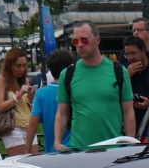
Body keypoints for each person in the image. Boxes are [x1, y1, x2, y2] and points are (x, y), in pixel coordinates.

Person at [55, 20, 135, 151]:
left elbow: (128, 112)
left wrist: (130, 146)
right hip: (79, 151)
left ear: (97, 40)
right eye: (75, 41)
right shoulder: (68, 74)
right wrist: (57, 141)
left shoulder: (118, 71)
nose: (80, 45)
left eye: (84, 40)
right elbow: (62, 113)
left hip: (113, 150)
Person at [28, 48, 74, 155]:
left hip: (52, 150)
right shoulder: (75, 91)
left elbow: (34, 122)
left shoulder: (41, 93)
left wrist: (27, 150)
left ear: (49, 69)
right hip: (74, 148)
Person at [0, 47, 33, 156]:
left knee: (34, 163)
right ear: (9, 65)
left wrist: (31, 99)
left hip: (29, 126)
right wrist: (18, 95)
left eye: (24, 65)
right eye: (18, 66)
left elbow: (28, 108)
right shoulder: (2, 79)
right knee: (21, 165)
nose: (22, 69)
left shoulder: (25, 80)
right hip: (13, 128)